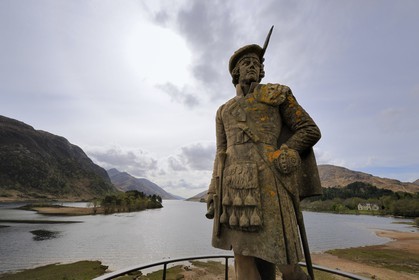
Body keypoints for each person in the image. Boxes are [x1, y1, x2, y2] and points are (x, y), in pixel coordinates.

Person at [206, 40, 322, 280]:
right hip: (233, 191)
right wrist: (212, 190)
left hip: (271, 182)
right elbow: (220, 153)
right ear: (235, 72)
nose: (251, 66)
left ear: (261, 70)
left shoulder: (276, 94)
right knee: (243, 260)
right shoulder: (223, 111)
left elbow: (309, 130)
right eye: (245, 63)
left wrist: (285, 151)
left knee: (288, 266)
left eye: (256, 64)